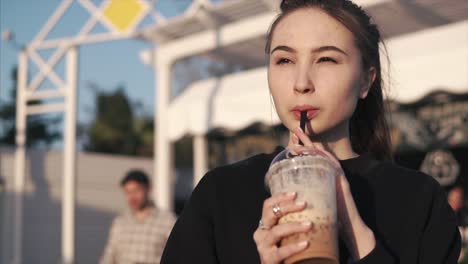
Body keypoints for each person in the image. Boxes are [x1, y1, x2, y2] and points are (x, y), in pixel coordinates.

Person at [160, 0, 461, 263]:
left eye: (326, 59)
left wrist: (356, 232)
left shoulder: (418, 200)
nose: (301, 82)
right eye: (284, 60)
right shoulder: (221, 194)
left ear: (367, 81)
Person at [100, 170, 176, 264]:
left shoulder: (168, 221)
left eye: (136, 190)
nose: (132, 197)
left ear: (148, 188)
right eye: (128, 192)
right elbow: (109, 256)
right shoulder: (120, 222)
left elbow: (177, 256)